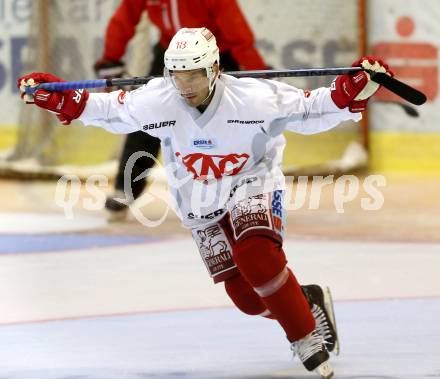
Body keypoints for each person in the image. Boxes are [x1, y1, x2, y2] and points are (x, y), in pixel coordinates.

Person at [18, 27, 392, 378]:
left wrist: (350, 92)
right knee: (246, 298)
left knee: (256, 257)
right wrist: (60, 99)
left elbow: (312, 109)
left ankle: (306, 338)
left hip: (252, 180)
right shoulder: (159, 99)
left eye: (194, 74)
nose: (185, 85)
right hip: (197, 195)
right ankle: (304, 300)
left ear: (214, 67)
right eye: (177, 75)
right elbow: (108, 111)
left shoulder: (254, 98)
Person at [94, 0, 269, 221]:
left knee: (230, 124)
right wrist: (111, 58)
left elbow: (237, 31)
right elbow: (125, 17)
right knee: (148, 115)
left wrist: (257, 71)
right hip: (171, 56)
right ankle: (125, 190)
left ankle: (247, 190)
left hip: (215, 58)